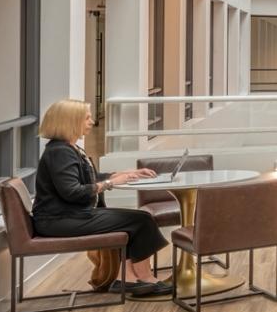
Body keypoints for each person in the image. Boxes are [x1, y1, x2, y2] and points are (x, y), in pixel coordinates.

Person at [30, 99, 172, 298]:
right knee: (141, 220)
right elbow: (72, 191)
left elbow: (88, 178)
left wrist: (126, 173)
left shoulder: (67, 148)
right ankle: (141, 278)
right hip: (59, 220)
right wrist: (110, 183)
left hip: (68, 216)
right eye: (86, 118)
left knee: (138, 220)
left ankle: (129, 278)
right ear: (70, 121)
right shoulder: (60, 152)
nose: (92, 122)